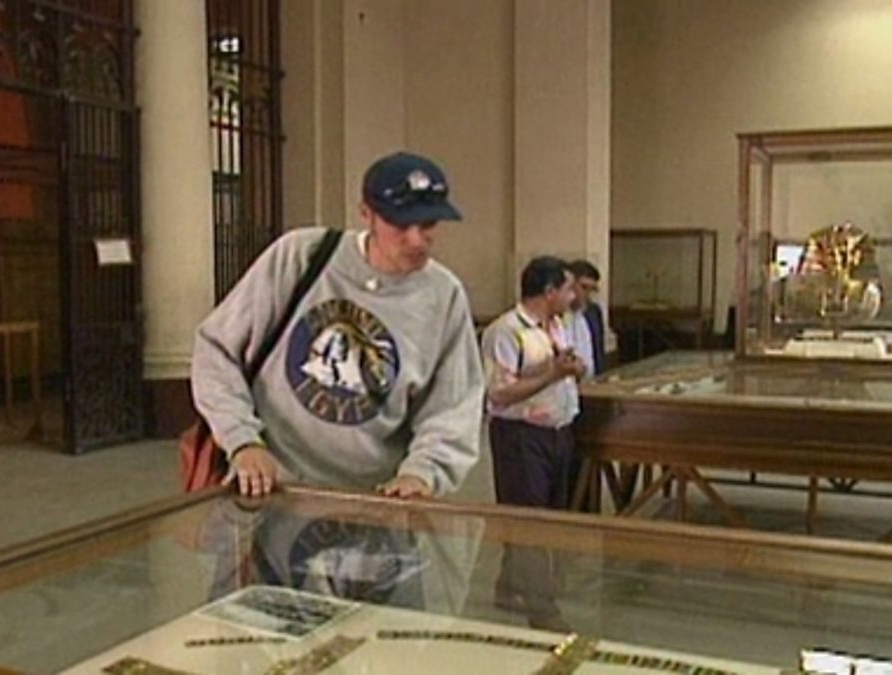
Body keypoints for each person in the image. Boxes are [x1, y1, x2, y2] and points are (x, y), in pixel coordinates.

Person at [191, 151, 484, 501]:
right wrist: (242, 441)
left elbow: (453, 404)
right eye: (400, 225)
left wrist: (423, 472)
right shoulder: (301, 256)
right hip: (271, 487)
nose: (416, 240)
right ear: (366, 214)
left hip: (373, 500)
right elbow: (216, 350)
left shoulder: (443, 295)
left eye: (428, 225)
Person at [481, 256, 586, 631]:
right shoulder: (506, 332)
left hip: (558, 432)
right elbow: (499, 393)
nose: (574, 296)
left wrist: (572, 370)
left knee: (547, 516)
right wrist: (553, 373)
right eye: (568, 289)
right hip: (522, 436)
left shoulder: (557, 325)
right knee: (530, 521)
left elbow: (563, 370)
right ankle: (542, 611)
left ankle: (510, 586)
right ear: (549, 291)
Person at [568, 259, 607, 375]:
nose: (587, 294)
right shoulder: (555, 315)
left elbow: (598, 350)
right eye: (584, 287)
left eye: (592, 290)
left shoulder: (593, 312)